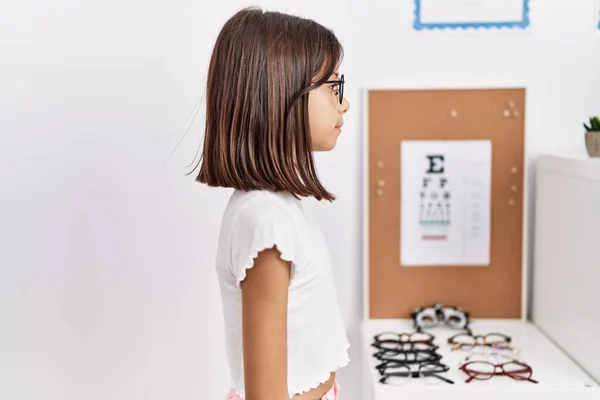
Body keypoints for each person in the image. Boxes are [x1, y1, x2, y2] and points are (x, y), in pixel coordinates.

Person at [197, 6, 351, 400]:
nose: (343, 103)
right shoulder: (265, 220)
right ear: (281, 94)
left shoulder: (278, 208)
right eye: (333, 87)